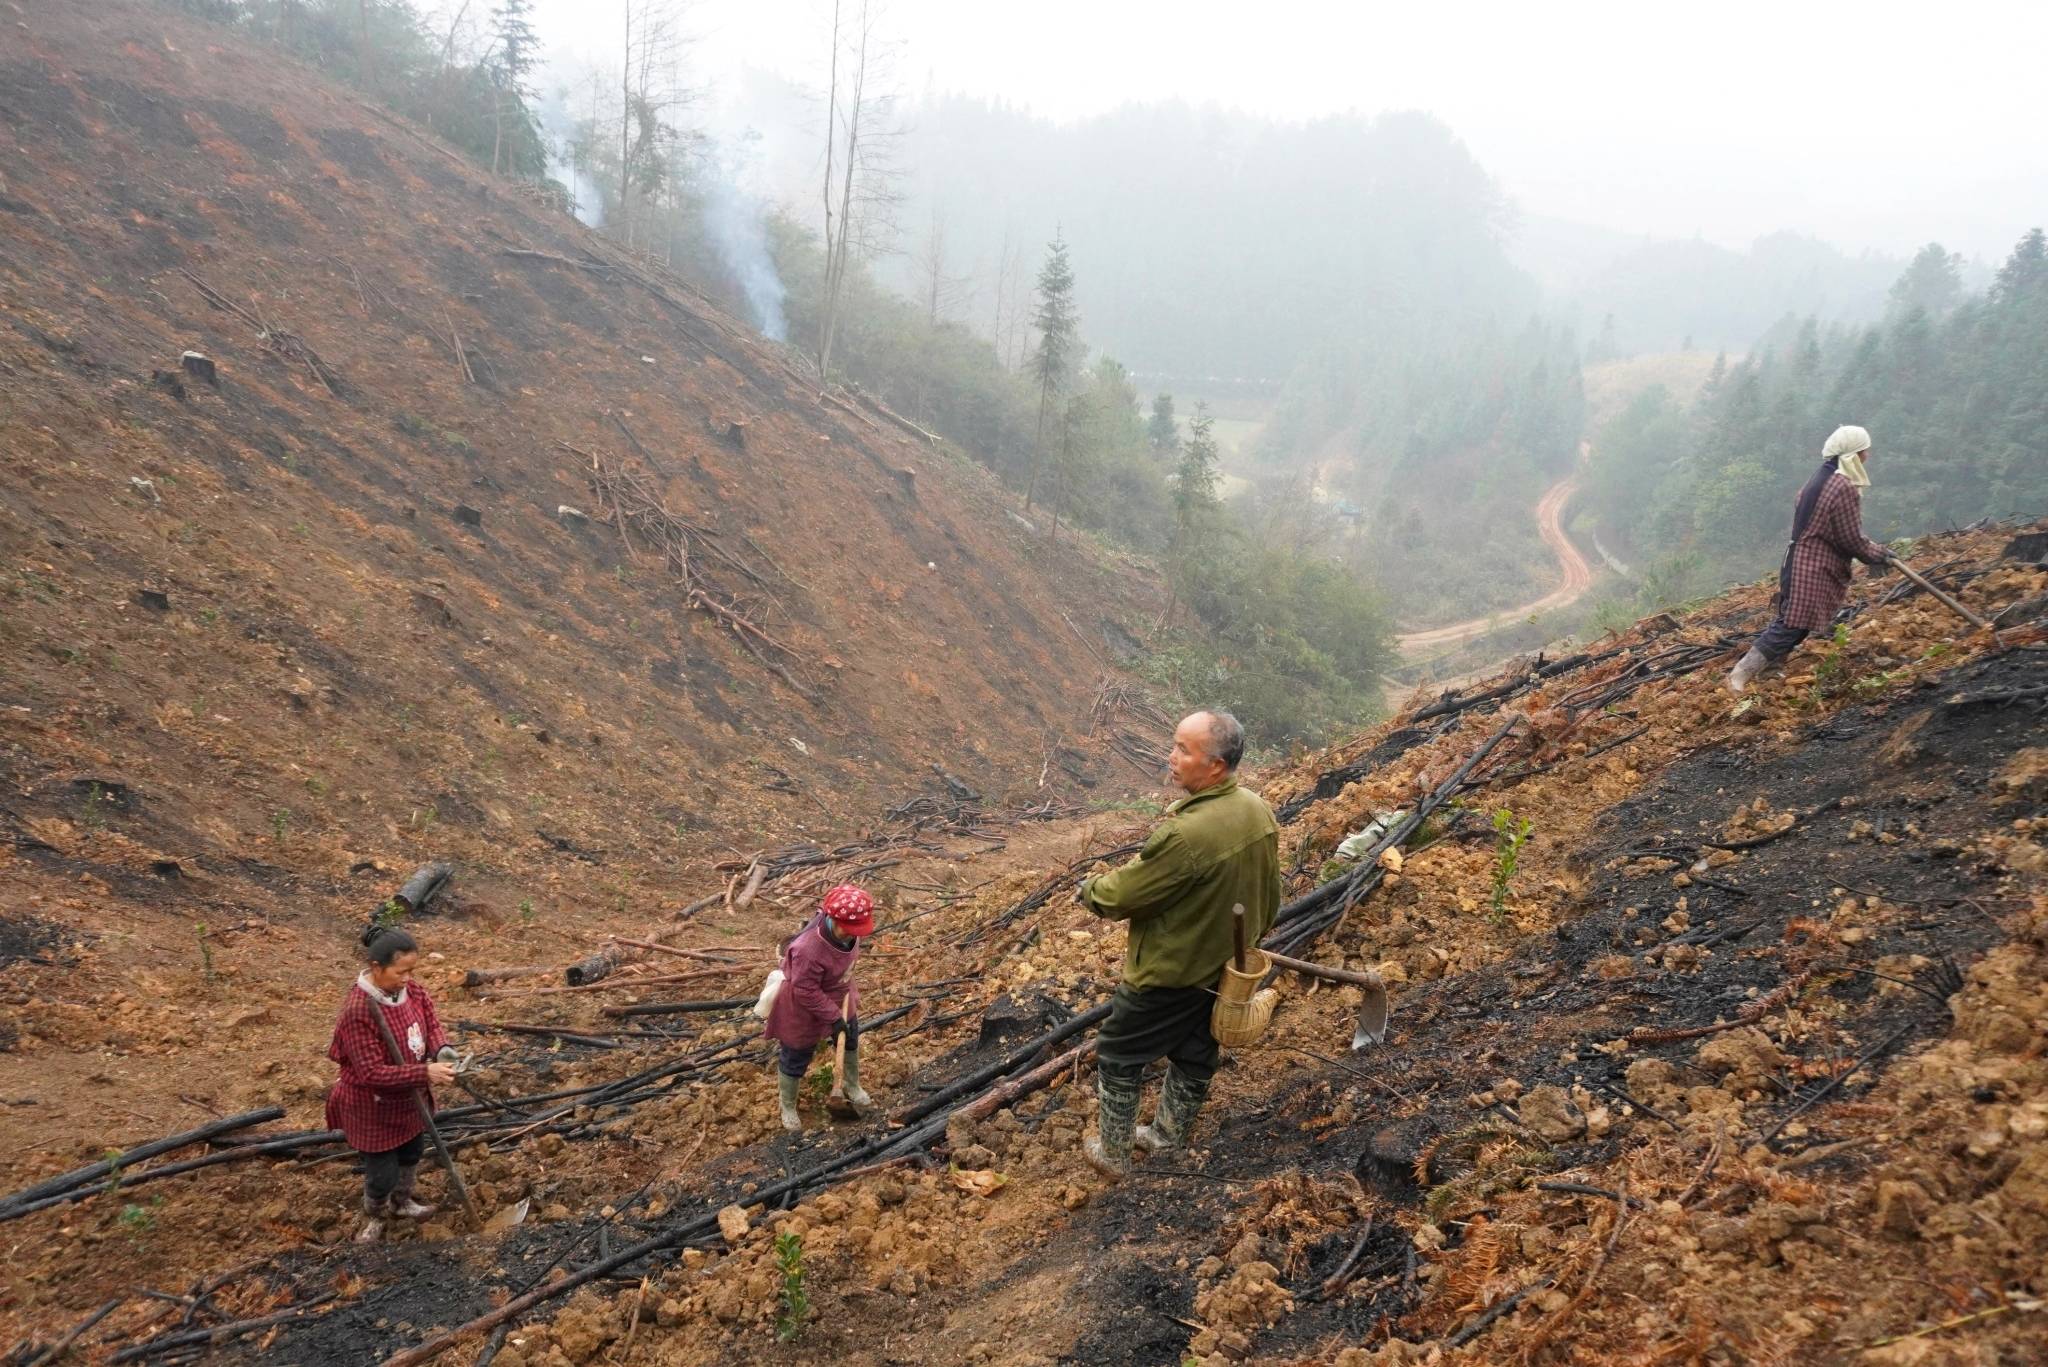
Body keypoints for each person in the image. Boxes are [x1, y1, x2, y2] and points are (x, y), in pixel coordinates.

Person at [1078, 710, 1281, 1179]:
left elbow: (1123, 895)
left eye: (1183, 750)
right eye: (1174, 745)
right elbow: (1271, 895)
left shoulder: (1186, 834)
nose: (1171, 757)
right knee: (1195, 1052)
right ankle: (1167, 1139)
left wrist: (1090, 890)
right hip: (1222, 967)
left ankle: (1114, 1155)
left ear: (1216, 766)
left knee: (1118, 1052)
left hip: (1171, 971)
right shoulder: (1256, 809)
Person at [1729, 424, 1893, 693]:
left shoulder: (1821, 477)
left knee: (1798, 620)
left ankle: (1769, 672)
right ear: (1854, 454)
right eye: (1865, 451)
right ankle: (1740, 674)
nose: (1868, 456)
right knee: (1793, 623)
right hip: (1812, 565)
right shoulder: (1842, 486)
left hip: (1798, 558)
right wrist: (1878, 553)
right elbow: (1850, 538)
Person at [326, 927, 459, 1243]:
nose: (407, 979)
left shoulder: (412, 991)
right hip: (374, 1107)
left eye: (411, 971)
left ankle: (402, 1202)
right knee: (382, 1173)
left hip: (408, 1100)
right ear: (376, 967)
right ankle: (376, 1213)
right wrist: (425, 1073)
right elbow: (372, 1074)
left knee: (412, 1153)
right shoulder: (358, 1011)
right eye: (400, 972)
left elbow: (431, 1024)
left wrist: (441, 1048)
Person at [763, 884, 876, 1132]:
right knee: (796, 1054)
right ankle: (788, 1105)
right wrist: (833, 1018)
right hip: (803, 1004)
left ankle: (851, 1085)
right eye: (850, 930)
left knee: (850, 1039)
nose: (854, 935)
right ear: (833, 919)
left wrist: (843, 1007)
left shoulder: (849, 932)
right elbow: (805, 990)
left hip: (839, 993)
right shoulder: (807, 949)